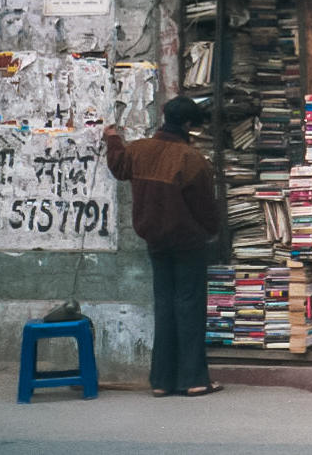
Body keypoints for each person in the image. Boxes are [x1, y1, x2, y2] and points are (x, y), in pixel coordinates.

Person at [103, 95, 220, 398]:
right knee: (189, 307)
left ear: (165, 115)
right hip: (187, 242)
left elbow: (117, 165)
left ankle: (161, 381)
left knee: (165, 307)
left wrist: (113, 138)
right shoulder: (192, 160)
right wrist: (210, 232)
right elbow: (206, 209)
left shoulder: (139, 151)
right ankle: (193, 380)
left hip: (155, 241)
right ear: (189, 124)